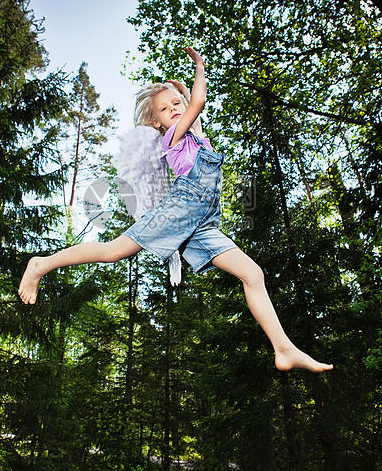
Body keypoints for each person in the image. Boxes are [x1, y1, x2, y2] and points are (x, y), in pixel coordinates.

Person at [19, 46, 333, 372]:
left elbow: (192, 105)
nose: (173, 110)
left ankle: (283, 349)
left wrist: (179, 92)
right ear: (157, 124)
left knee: (253, 274)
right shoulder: (173, 137)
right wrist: (199, 66)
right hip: (181, 208)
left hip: (204, 221)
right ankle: (42, 264)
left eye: (176, 105)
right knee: (114, 251)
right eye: (164, 110)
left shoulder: (197, 135)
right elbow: (197, 103)